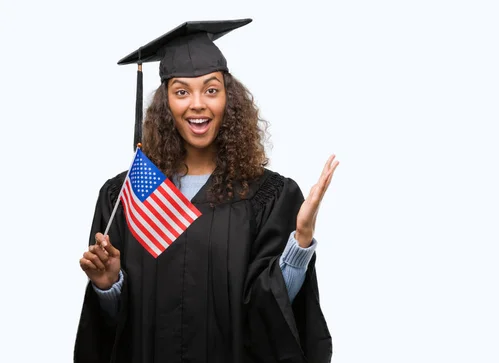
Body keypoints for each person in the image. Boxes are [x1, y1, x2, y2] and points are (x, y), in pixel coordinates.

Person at [74, 18, 338, 363]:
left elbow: (270, 311)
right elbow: (116, 333)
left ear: (229, 100)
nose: (197, 103)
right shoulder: (126, 195)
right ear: (165, 105)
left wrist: (300, 242)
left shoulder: (268, 195)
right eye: (181, 91)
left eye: (211, 89)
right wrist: (109, 286)